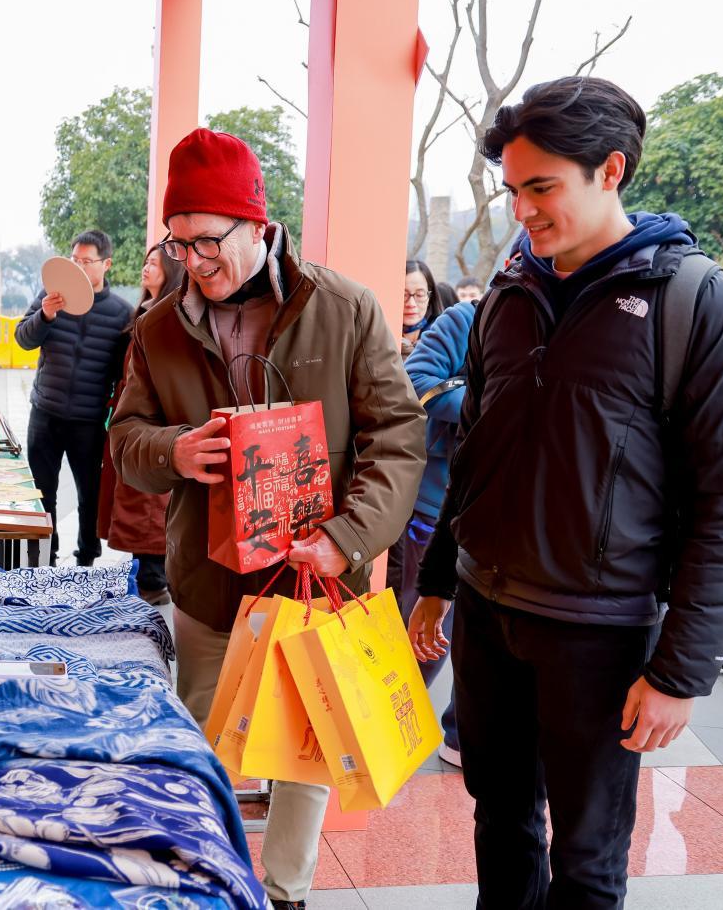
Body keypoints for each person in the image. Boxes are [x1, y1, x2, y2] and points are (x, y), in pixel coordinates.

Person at [409, 76, 723, 908]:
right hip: (487, 609)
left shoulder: (704, 307)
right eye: (513, 191)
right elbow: (476, 453)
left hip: (600, 634)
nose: (523, 212)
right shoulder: (507, 296)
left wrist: (681, 672)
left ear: (610, 172)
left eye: (542, 188)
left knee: (587, 857)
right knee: (498, 820)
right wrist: (435, 585)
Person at [110, 128, 425, 910]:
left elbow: (397, 435)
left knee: (305, 750)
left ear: (258, 223)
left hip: (315, 578)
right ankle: (200, 881)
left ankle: (284, 892)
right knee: (199, 742)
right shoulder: (157, 327)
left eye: (208, 241)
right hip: (209, 582)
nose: (194, 261)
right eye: (178, 245)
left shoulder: (343, 307)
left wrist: (346, 537)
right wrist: (175, 451)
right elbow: (123, 440)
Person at [387, 294, 479, 766]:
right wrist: (493, 400)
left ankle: (462, 734)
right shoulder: (465, 318)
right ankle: (387, 721)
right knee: (423, 621)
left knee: (481, 636)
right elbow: (416, 380)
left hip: (505, 512)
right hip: (434, 502)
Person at [15, 230, 133, 566]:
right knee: (43, 492)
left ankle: (87, 557)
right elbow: (23, 338)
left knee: (89, 494)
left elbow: (123, 372)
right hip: (46, 413)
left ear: (106, 264)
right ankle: (45, 557)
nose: (78, 267)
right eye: (74, 260)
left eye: (86, 261)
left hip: (88, 420)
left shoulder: (121, 313)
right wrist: (45, 316)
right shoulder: (50, 297)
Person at [98, 245, 185, 605]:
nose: (146, 268)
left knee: (150, 502)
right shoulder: (143, 311)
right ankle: (143, 574)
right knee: (133, 497)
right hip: (129, 412)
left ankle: (153, 581)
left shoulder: (170, 315)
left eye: (154, 263)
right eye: (145, 261)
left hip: (154, 419)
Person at [401, 259, 444, 356]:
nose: (411, 304)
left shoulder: (442, 337)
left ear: (430, 297)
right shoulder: (382, 338)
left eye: (420, 295)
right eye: (404, 295)